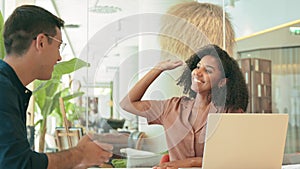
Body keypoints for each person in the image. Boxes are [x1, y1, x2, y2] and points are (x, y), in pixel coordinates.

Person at [0, 5, 113, 169]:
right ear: (41, 42)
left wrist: (78, 161)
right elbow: (18, 164)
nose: (59, 57)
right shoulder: (3, 89)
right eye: (59, 47)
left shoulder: (10, 88)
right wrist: (80, 154)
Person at [120, 44, 249, 168]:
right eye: (198, 67)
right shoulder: (171, 107)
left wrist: (190, 163)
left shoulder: (230, 113)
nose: (198, 72)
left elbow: (234, 156)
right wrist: (158, 69)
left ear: (222, 82)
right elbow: (127, 104)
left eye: (208, 70)